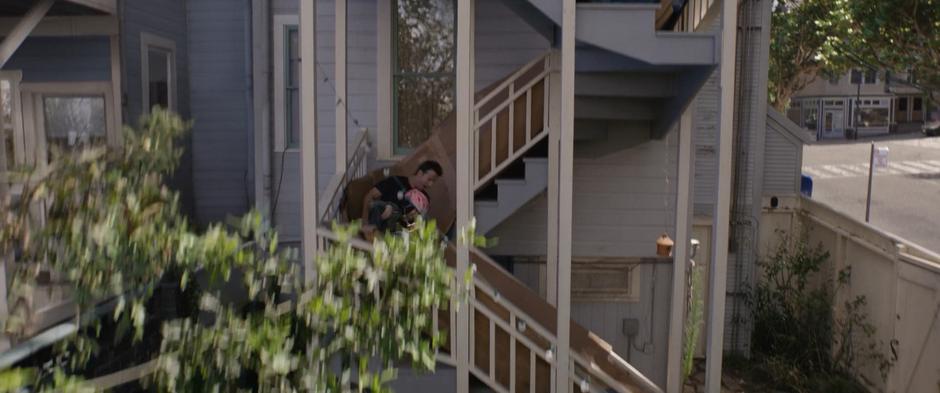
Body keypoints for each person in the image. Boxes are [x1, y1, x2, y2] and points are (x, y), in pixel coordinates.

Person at [361, 160, 442, 238]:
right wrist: (364, 220)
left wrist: (411, 220)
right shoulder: (394, 181)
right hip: (379, 224)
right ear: (420, 173)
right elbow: (369, 196)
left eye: (433, 182)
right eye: (429, 179)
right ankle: (372, 237)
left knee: (425, 222)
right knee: (376, 205)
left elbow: (414, 227)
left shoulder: (424, 198)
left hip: (398, 234)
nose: (430, 184)